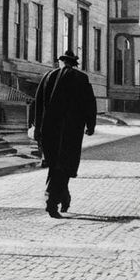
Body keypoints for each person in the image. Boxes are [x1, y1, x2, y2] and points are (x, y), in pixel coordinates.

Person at [29, 49, 98, 218]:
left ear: (61, 61)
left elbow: (36, 104)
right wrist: (91, 125)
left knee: (55, 165)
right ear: (74, 63)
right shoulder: (81, 78)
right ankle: (51, 200)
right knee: (64, 165)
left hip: (48, 130)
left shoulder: (47, 77)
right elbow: (90, 103)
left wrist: (36, 127)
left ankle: (63, 197)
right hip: (70, 131)